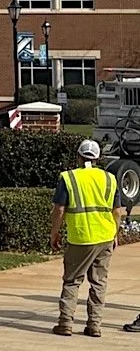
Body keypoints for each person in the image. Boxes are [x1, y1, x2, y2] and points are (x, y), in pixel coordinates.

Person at [51, 139, 121, 337]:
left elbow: (59, 209)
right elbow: (117, 211)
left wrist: (54, 233)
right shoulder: (110, 179)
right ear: (98, 158)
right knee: (99, 282)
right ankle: (94, 325)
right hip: (105, 236)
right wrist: (115, 233)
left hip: (80, 236)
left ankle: (65, 323)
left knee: (72, 280)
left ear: (78, 156)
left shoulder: (69, 178)